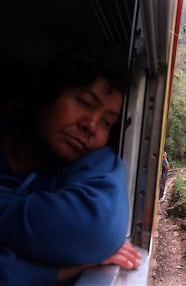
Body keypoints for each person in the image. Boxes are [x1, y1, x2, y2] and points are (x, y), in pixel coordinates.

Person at [0, 46, 140, 285]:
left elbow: (95, 230)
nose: (92, 126)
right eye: (85, 103)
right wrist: (69, 268)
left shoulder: (94, 161)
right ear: (46, 94)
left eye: (107, 122)